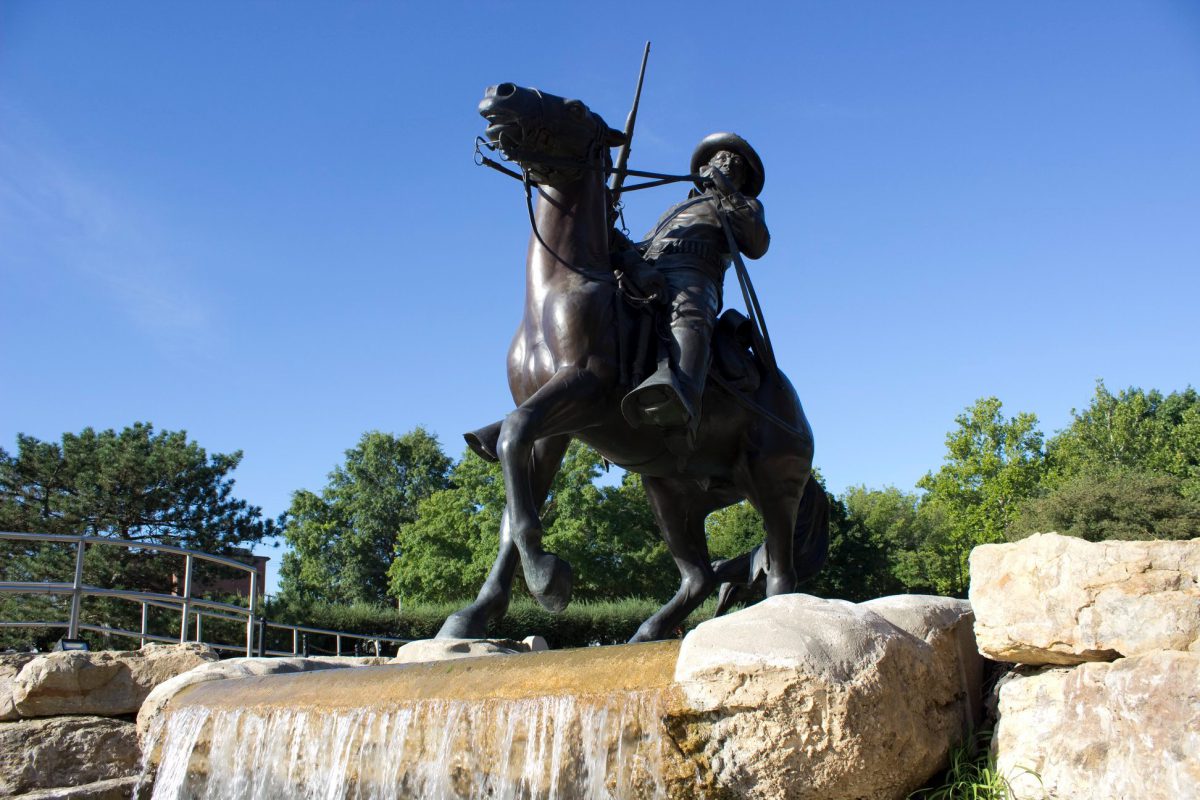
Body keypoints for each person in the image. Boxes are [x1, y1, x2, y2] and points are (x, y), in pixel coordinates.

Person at [619, 132, 770, 432]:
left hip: (695, 272)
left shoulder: (745, 205)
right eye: (720, 159)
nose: (726, 163)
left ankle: (683, 403)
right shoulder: (674, 208)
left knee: (689, 315)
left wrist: (727, 191)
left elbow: (757, 244)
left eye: (734, 163)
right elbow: (646, 244)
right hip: (653, 269)